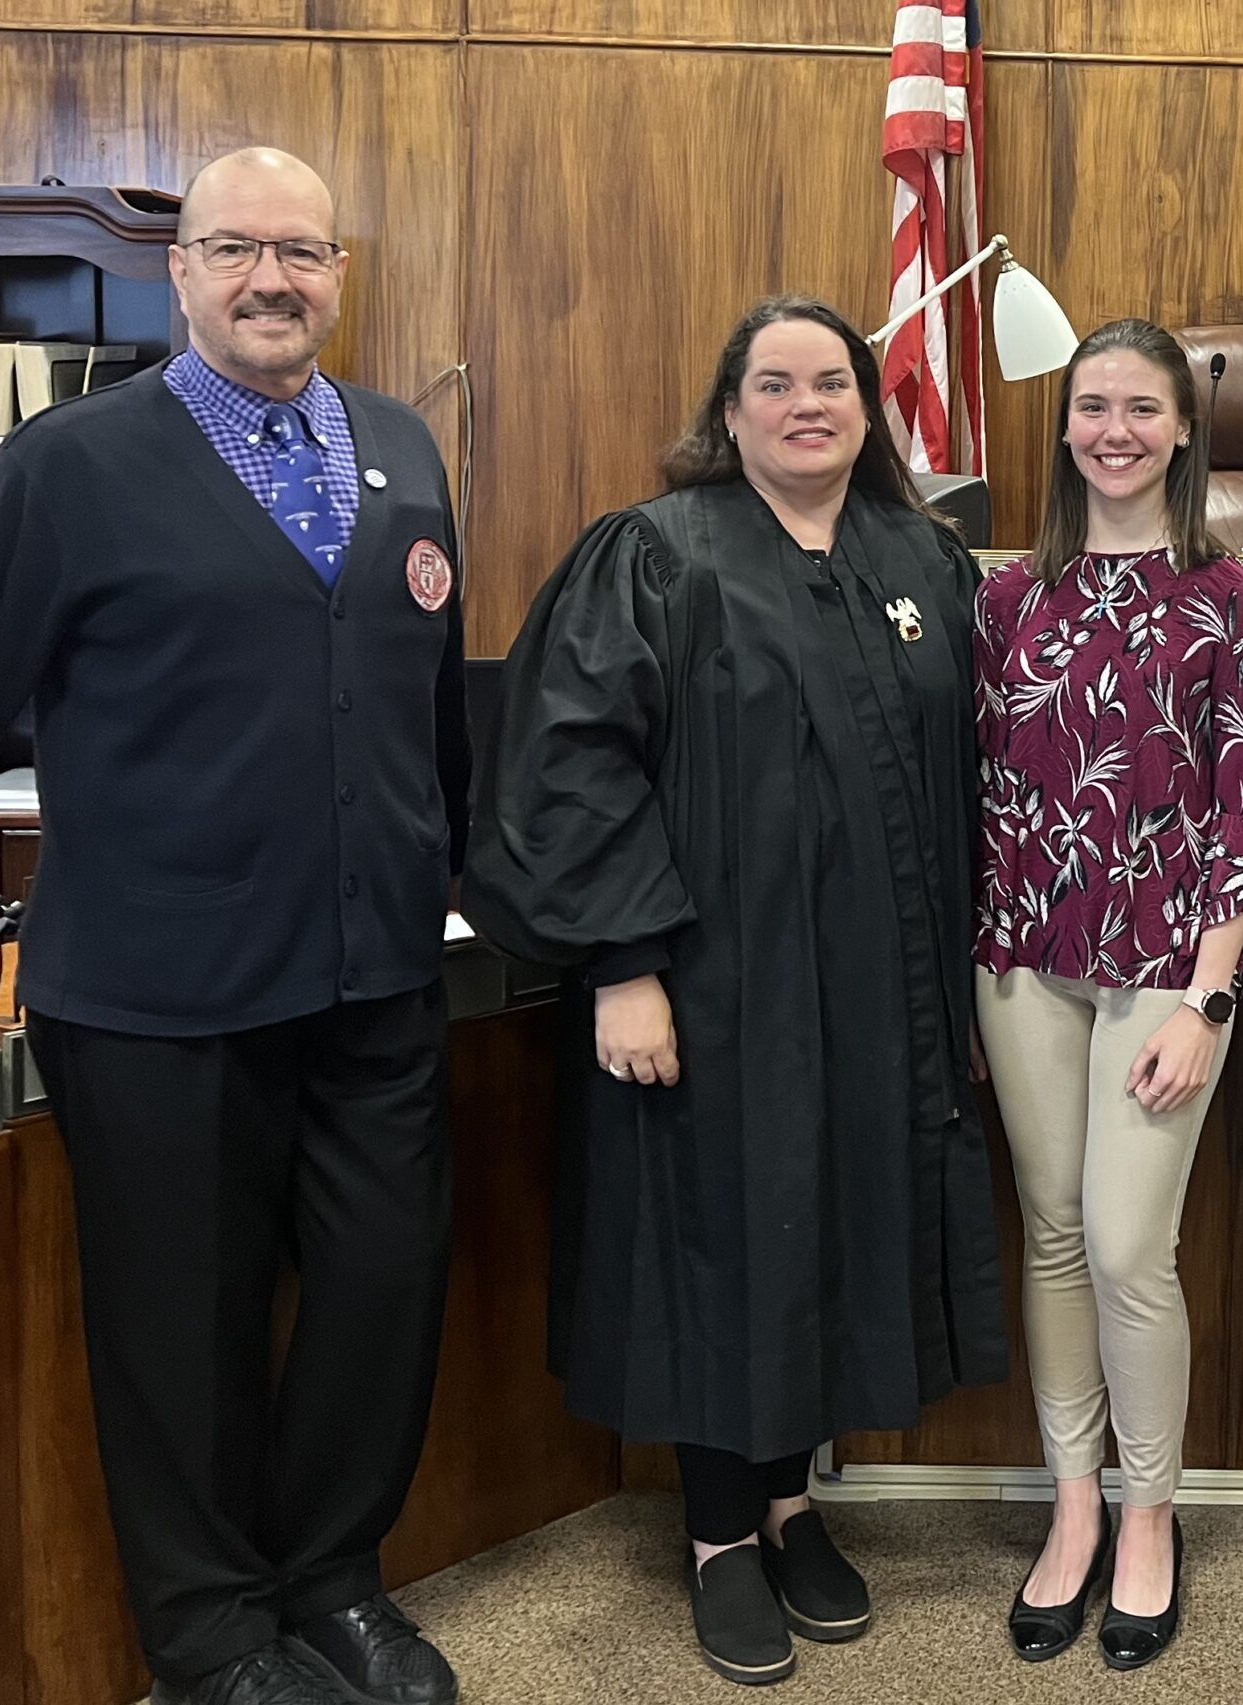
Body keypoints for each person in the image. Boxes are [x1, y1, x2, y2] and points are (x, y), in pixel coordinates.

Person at [0, 149, 468, 1705]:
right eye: (236, 248)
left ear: (338, 273)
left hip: (374, 979)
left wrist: (456, 884)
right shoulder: (72, 462)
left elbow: (425, 715)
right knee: (179, 1336)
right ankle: (213, 1638)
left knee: (384, 1295)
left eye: (302, 252)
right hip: (158, 997)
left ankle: (331, 1581)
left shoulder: (398, 449)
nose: (272, 278)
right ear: (180, 273)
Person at [461, 294, 1007, 1688]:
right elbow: (569, 767)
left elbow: (974, 776)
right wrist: (625, 963)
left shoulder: (918, 560)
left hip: (880, 985)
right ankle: (719, 1535)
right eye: (775, 384)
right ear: (729, 411)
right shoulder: (655, 555)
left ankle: (790, 1502)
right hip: (715, 980)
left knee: (824, 1228)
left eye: (833, 381)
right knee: (720, 1234)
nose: (806, 404)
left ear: (869, 409)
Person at [972, 319, 1243, 1673]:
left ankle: (1150, 1511)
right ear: (1065, 426)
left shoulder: (1231, 595)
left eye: (1141, 407)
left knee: (1122, 1245)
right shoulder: (1001, 597)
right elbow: (974, 793)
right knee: (1049, 1231)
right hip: (1021, 954)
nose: (1114, 429)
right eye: (1092, 404)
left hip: (1169, 966)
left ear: (1181, 428)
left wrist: (1210, 999)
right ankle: (1074, 1504)